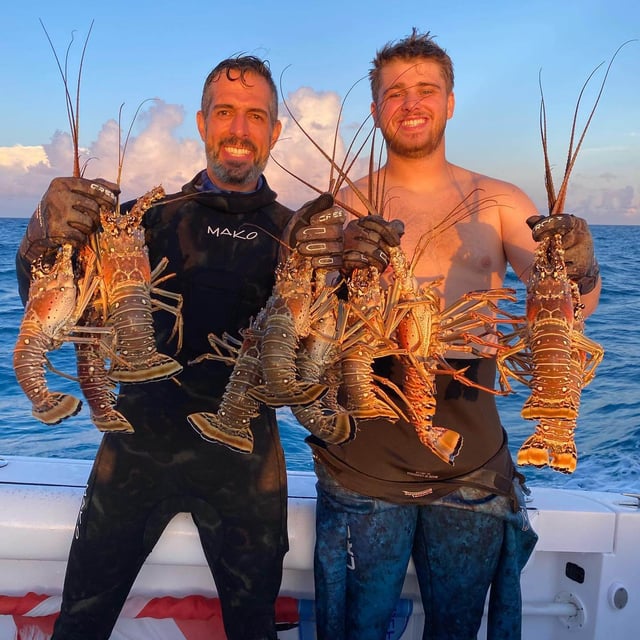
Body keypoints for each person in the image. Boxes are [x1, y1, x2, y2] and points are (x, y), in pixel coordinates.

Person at [15, 55, 343, 640]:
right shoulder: (144, 218)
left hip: (247, 468)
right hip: (134, 452)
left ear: (274, 131)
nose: (238, 129)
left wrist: (359, 265)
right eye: (224, 112)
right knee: (78, 625)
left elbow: (326, 360)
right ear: (200, 122)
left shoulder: (299, 233)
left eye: (255, 116)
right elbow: (45, 306)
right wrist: (43, 229)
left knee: (254, 630)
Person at [308, 29, 602, 640]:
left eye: (426, 90)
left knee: (459, 628)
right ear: (375, 108)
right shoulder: (342, 205)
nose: (411, 103)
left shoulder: (497, 200)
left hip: (471, 456)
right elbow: (306, 322)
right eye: (395, 92)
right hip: (362, 458)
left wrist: (583, 262)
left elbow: (580, 306)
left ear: (449, 102)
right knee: (355, 629)